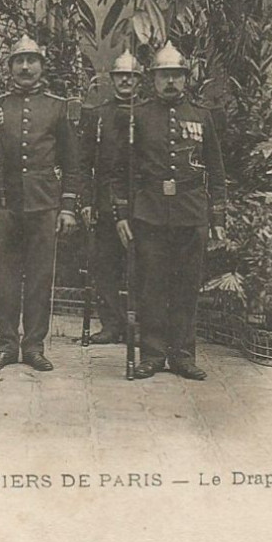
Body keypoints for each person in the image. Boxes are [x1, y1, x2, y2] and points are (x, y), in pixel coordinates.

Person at [114, 41, 226, 381]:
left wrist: (218, 218)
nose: (170, 83)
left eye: (176, 76)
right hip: (148, 214)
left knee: (186, 287)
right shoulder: (138, 115)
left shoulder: (202, 116)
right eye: (164, 76)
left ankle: (182, 355)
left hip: (190, 213)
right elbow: (122, 172)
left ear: (185, 79)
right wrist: (121, 214)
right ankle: (152, 353)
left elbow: (217, 172)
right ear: (153, 79)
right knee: (151, 285)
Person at [0, 35, 79, 373]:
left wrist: (67, 206)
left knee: (39, 277)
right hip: (3, 203)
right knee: (3, 278)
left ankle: (33, 346)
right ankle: (6, 345)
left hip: (43, 202)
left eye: (32, 61)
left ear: (41, 67)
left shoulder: (56, 106)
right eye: (19, 61)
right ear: (9, 68)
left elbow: (72, 163)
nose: (25, 67)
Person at [79, 51, 144, 344]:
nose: (125, 81)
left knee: (142, 263)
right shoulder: (98, 114)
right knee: (104, 264)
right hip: (104, 198)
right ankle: (111, 324)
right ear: (113, 79)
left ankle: (140, 325)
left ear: (139, 80)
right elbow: (83, 163)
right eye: (120, 76)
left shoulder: (147, 113)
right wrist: (86, 201)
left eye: (131, 76)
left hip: (143, 200)